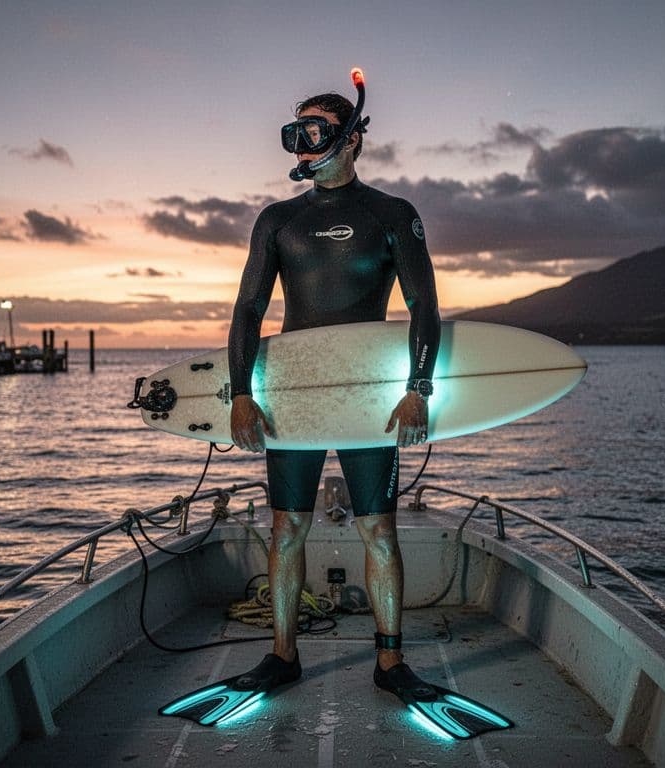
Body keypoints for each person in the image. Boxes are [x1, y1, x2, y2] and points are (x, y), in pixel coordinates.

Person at [226, 85, 442, 698]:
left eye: (315, 131)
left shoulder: (392, 213)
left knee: (378, 530)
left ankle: (391, 663)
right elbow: (247, 309)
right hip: (293, 399)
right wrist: (242, 392)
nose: (302, 143)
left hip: (369, 401)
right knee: (286, 526)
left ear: (352, 138)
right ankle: (283, 655)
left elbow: (425, 306)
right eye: (295, 133)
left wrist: (417, 388)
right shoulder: (278, 220)